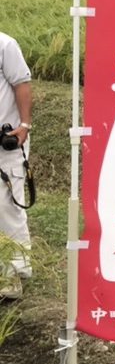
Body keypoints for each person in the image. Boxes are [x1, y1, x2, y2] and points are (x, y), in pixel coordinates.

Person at [0, 32, 32, 300]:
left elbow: (21, 83)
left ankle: (13, 274)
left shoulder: (5, 44)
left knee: (7, 206)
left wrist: (24, 125)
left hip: (5, 142)